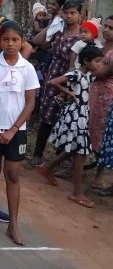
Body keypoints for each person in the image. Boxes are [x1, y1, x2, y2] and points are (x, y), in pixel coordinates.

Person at [0, 21, 39, 246]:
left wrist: (14, 129)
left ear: (22, 42)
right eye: (6, 39)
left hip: (16, 131)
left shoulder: (27, 68)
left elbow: (30, 103)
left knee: (12, 174)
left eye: (15, 40)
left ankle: (13, 224)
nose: (10, 44)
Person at [36, 45, 104, 208]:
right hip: (75, 116)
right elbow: (53, 82)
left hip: (81, 115)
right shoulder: (76, 74)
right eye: (97, 61)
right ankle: (77, 193)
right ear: (86, 61)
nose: (100, 64)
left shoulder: (88, 76)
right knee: (81, 152)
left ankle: (48, 167)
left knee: (75, 149)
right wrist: (70, 93)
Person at [31, 0, 81, 167]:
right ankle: (37, 154)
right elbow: (37, 40)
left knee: (64, 118)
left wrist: (67, 85)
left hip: (69, 79)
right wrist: (53, 24)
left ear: (79, 15)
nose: (69, 16)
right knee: (46, 116)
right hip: (52, 76)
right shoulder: (58, 30)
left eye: (73, 13)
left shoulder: (82, 35)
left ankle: (59, 158)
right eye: (66, 13)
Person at [90, 15, 113, 189]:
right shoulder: (99, 45)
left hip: (107, 96)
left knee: (103, 134)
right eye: (105, 26)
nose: (106, 30)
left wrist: (86, 70)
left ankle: (99, 176)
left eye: (111, 28)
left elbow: (103, 73)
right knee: (90, 128)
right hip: (94, 92)